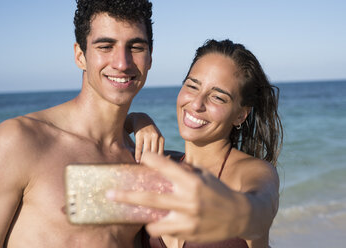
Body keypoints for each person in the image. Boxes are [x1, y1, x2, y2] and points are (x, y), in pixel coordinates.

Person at [0, 0, 163, 247]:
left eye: (136, 47)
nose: (122, 63)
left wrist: (138, 120)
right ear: (80, 56)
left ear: (149, 59)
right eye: (105, 46)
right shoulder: (19, 141)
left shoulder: (140, 160)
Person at [110, 39, 283, 248]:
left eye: (218, 97)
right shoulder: (162, 165)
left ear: (240, 115)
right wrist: (136, 119)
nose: (197, 104)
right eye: (192, 86)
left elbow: (263, 209)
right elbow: (97, 137)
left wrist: (234, 212)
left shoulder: (252, 172)